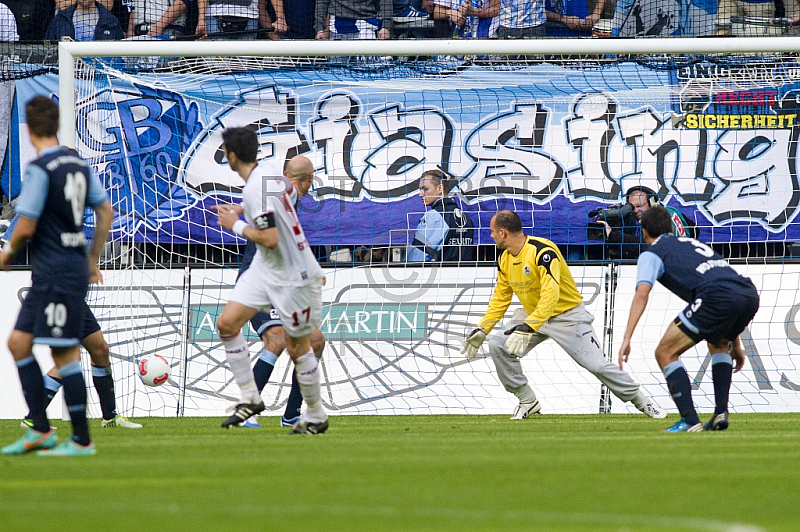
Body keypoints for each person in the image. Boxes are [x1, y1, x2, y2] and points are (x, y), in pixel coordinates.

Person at [460, 210, 666, 420]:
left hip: (568, 317)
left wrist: (529, 326)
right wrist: (483, 328)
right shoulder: (504, 258)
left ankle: (644, 403)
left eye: (492, 231)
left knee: (597, 365)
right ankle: (527, 401)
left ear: (503, 233)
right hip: (532, 316)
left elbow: (551, 295)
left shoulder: (543, 251)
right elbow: (500, 298)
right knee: (498, 345)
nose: (490, 235)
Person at [0, 95, 113, 456]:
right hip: (68, 268)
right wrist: (92, 258)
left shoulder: (41, 168)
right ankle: (42, 428)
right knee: (19, 343)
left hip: (54, 270)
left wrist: (7, 254)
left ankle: (79, 438)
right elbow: (106, 210)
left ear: (30, 129)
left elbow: (26, 224)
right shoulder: (78, 166)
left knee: (64, 354)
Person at [212, 127, 328, 434]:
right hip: (265, 269)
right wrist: (242, 208)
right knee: (226, 324)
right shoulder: (269, 174)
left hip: (292, 275)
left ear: (232, 156)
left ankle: (315, 414)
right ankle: (250, 399)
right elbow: (287, 193)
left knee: (299, 345)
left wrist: (234, 223)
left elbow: (271, 238)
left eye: (225, 152)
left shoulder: (256, 187)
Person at [618, 206, 760, 432]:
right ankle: (720, 412)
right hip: (747, 293)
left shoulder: (652, 253)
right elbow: (728, 291)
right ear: (671, 228)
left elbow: (642, 293)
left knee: (665, 352)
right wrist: (735, 343)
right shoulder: (691, 243)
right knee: (718, 343)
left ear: (643, 231)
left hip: (716, 297)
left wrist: (627, 338)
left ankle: (689, 419)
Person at [239, 155, 326, 429]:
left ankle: (291, 415)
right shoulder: (287, 194)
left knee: (315, 342)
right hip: (260, 282)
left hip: (282, 282)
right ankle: (247, 411)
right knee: (276, 339)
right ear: (309, 181)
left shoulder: (279, 198)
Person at [598, 186, 696, 260]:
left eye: (639, 206)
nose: (635, 211)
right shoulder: (672, 211)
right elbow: (695, 229)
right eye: (632, 207)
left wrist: (613, 236)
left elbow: (649, 246)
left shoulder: (658, 218)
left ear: (652, 203)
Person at [406, 169, 476, 262]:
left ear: (440, 188)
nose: (420, 194)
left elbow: (417, 258)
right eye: (420, 189)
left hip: (438, 275)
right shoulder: (466, 218)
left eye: (425, 189)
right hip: (464, 274)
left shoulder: (433, 217)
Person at [45, 0, 124, 41]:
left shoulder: (111, 21)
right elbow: (48, 49)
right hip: (68, 69)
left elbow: (119, 54)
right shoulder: (60, 19)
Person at [315, 0, 393, 39]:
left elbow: (385, 1)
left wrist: (386, 26)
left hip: (367, 28)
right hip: (337, 29)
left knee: (368, 69)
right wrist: (320, 28)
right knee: (337, 68)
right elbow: (322, 2)